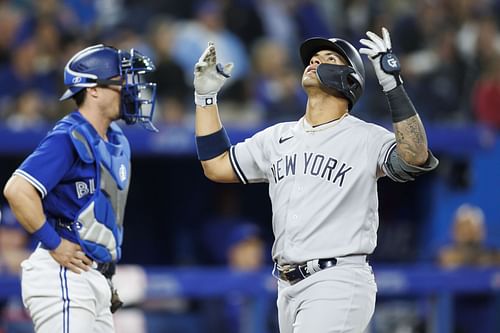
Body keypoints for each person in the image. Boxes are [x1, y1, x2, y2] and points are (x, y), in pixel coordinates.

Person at [193, 27, 439, 332]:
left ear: (350, 79)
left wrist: (391, 83)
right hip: (286, 285)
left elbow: (415, 155)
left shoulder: (364, 137)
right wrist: (205, 99)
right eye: (312, 58)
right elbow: (216, 165)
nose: (313, 61)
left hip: (337, 279)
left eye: (328, 58)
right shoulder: (277, 137)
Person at [2, 43, 158, 333]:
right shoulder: (68, 137)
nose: (129, 90)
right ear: (94, 89)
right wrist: (55, 243)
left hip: (94, 279)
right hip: (61, 273)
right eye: (120, 83)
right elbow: (18, 189)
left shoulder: (117, 140)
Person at [438, 203, 500, 268]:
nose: (466, 232)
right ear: (453, 230)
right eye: (462, 227)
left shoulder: (494, 256)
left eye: (471, 228)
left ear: (481, 230)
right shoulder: (442, 256)